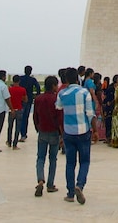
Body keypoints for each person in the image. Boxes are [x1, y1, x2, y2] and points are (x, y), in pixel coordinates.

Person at [57, 67, 95, 205]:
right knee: (84, 161)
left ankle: (70, 193)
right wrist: (95, 130)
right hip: (83, 131)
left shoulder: (62, 94)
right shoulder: (84, 92)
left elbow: (58, 108)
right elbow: (90, 114)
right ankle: (80, 185)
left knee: (70, 163)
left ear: (66, 79)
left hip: (68, 132)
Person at [33, 75, 62, 197]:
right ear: (54, 86)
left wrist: (37, 127)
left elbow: (35, 115)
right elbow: (60, 118)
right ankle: (50, 184)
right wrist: (62, 135)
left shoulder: (38, 99)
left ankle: (40, 179)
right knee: (53, 159)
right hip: (54, 132)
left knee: (40, 158)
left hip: (42, 131)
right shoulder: (56, 99)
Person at [18, 65, 41, 142]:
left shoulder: (20, 78)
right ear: (30, 71)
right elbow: (38, 87)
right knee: (25, 117)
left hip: (21, 99)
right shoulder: (32, 79)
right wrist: (37, 95)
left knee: (20, 117)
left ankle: (20, 133)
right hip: (29, 99)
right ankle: (23, 134)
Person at [7, 74, 28, 149]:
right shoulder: (22, 90)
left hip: (11, 110)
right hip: (19, 109)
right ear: (19, 81)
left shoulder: (9, 89)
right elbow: (26, 100)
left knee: (10, 126)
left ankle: (9, 141)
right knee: (17, 127)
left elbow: (7, 98)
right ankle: (15, 144)